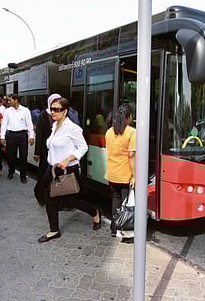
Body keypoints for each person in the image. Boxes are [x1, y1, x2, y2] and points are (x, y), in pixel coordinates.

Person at [37, 96, 101, 243]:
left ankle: (95, 213)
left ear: (65, 111)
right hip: (52, 170)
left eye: (57, 109)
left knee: (73, 202)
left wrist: (68, 159)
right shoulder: (54, 127)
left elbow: (83, 147)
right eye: (51, 109)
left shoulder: (72, 128)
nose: (53, 112)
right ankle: (54, 230)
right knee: (49, 199)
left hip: (68, 170)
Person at [105, 103, 136, 243]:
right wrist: (134, 176)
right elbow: (131, 156)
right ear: (129, 117)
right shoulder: (131, 132)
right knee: (126, 205)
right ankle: (126, 233)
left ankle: (114, 228)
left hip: (112, 173)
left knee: (115, 201)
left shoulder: (109, 132)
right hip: (125, 175)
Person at [0, 95, 35, 184]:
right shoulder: (8, 111)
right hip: (11, 135)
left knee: (23, 156)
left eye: (10, 100)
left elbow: (29, 124)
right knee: (11, 156)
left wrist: (31, 136)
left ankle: (23, 176)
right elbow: (4, 124)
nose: (9, 102)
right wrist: (2, 137)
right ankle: (11, 172)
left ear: (16, 100)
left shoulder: (25, 110)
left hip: (22, 135)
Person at [33, 94, 60, 205]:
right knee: (44, 173)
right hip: (45, 149)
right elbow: (39, 135)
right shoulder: (43, 116)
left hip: (57, 149)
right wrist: (37, 153)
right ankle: (40, 193)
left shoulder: (61, 115)